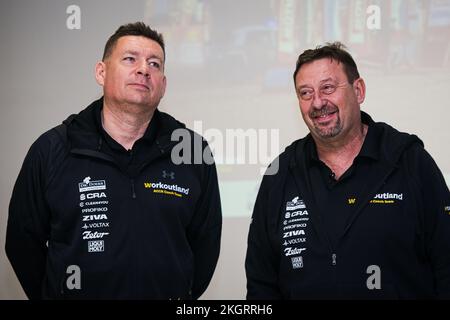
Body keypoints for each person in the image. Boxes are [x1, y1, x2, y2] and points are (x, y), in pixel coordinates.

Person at [6, 22, 222, 300]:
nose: (144, 69)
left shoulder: (193, 152)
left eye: (154, 64)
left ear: (163, 85)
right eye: (130, 59)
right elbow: (22, 242)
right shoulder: (52, 150)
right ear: (101, 72)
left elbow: (205, 246)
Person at [245, 42, 450, 299]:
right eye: (305, 93)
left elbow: (446, 263)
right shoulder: (282, 172)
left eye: (328, 88)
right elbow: (261, 282)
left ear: (358, 90)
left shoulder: (409, 161)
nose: (318, 103)